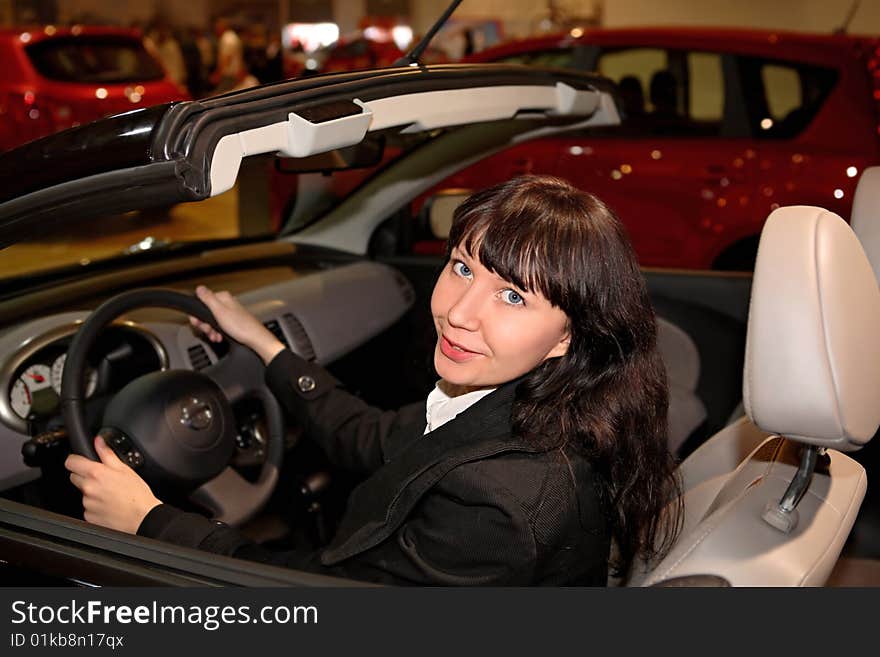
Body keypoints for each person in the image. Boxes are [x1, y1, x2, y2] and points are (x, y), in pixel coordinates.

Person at [65, 175, 682, 586]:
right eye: (462, 267)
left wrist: (150, 522)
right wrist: (264, 346)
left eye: (513, 296)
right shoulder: (521, 397)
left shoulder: (498, 502)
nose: (460, 313)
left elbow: (311, 605)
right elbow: (370, 436)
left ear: (569, 335)